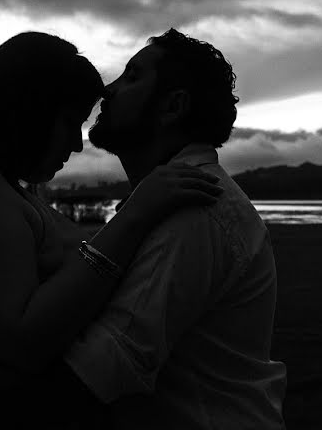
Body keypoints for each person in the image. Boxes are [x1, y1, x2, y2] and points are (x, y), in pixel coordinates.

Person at [0, 32, 224, 429]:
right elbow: (24, 340)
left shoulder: (14, 192)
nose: (76, 144)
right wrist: (134, 214)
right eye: (70, 122)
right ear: (27, 112)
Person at [61, 28, 287, 429]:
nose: (106, 90)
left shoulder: (193, 209)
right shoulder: (164, 199)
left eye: (131, 77)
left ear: (172, 107)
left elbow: (99, 371)